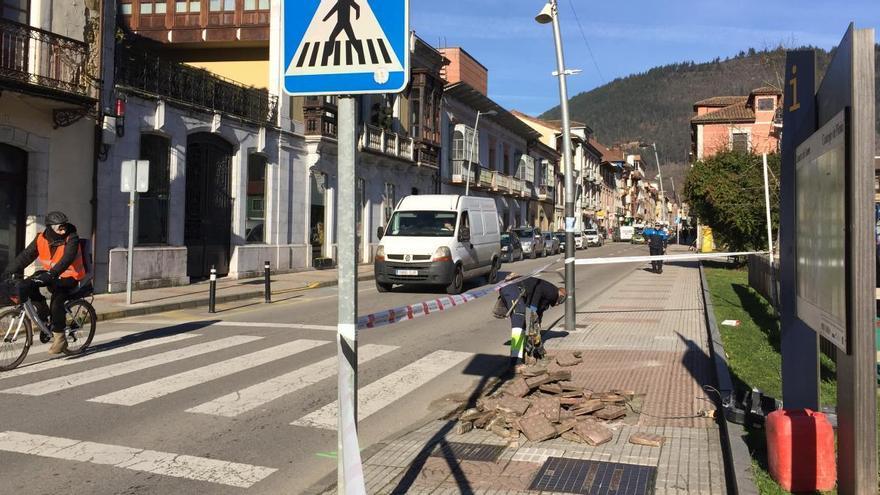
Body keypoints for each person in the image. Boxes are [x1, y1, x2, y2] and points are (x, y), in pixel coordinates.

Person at [2, 211, 86, 354]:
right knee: (28, 285)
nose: (63, 229)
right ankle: (44, 316)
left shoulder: (72, 238)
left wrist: (51, 274)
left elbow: (67, 260)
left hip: (70, 276)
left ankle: (60, 338)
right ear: (50, 227)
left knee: (57, 301)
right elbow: (26, 256)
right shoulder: (41, 238)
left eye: (64, 225)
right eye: (60, 226)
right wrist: (9, 271)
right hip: (51, 275)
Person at [497, 276, 566, 365]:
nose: (559, 304)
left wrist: (537, 329)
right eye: (561, 301)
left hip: (511, 288)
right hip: (513, 289)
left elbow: (539, 312)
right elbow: (538, 289)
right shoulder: (553, 293)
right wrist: (533, 307)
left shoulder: (548, 296)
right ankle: (515, 360)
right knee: (519, 323)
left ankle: (520, 353)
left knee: (522, 325)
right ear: (560, 296)